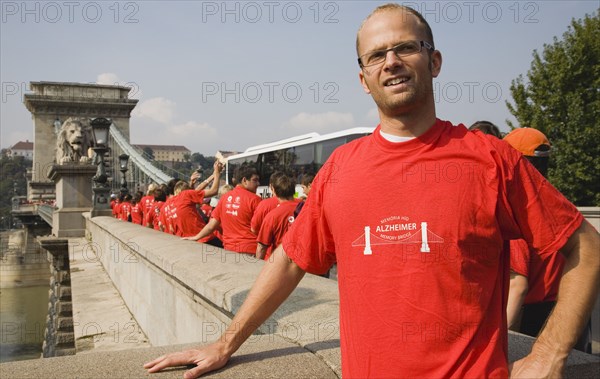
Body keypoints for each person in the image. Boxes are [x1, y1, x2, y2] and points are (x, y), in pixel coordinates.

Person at [145, 4, 600, 378]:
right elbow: (288, 260)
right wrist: (225, 344)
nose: (392, 62)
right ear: (363, 79)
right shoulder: (341, 167)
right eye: (376, 55)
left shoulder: (491, 159)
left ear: (435, 61)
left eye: (406, 47)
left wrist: (549, 354)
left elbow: (586, 246)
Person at [503, 127, 592, 353]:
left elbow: (518, 286)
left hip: (533, 321)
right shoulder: (561, 204)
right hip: (570, 311)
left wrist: (500, 344)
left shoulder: (520, 214)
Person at [182, 167, 261, 255]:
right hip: (250, 250)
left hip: (229, 250)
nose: (258, 183)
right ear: (244, 180)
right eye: (255, 180)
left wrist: (196, 237)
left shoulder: (224, 198)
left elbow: (211, 226)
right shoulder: (255, 200)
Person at [171, 162, 222, 241]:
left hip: (189, 238)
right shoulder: (186, 194)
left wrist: (214, 174)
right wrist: (217, 174)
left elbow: (197, 190)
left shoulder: (174, 200)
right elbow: (214, 191)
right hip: (204, 237)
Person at [255, 173, 297, 260]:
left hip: (281, 262)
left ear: (273, 189)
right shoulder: (306, 208)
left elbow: (261, 247)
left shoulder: (272, 215)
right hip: (306, 263)